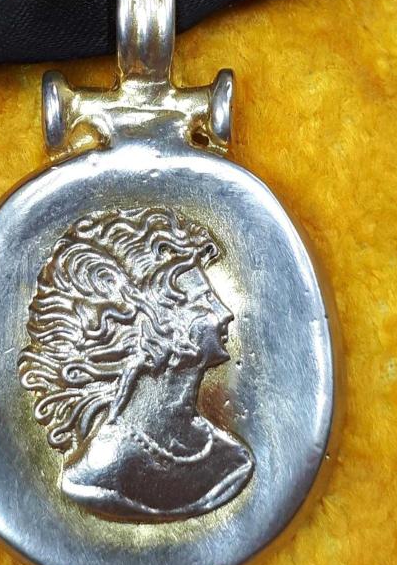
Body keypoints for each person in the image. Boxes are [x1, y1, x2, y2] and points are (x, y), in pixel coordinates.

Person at [18, 206, 253, 520]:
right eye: (204, 301)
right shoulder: (96, 478)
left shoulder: (230, 456)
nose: (225, 313)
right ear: (152, 327)